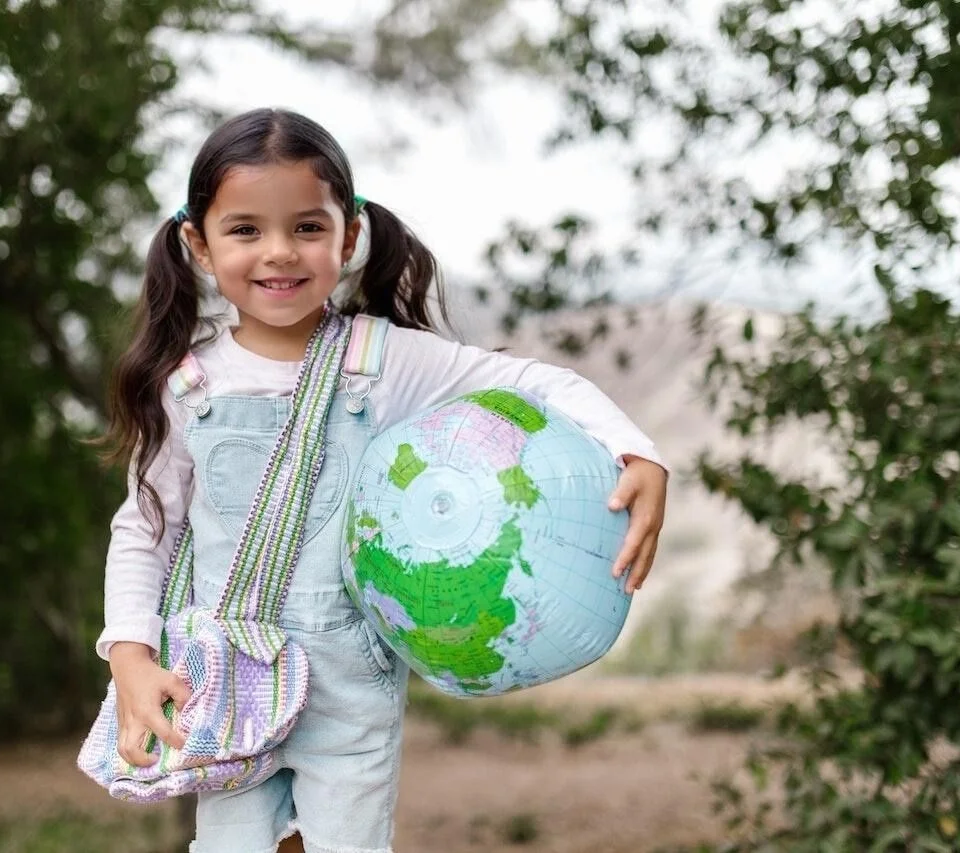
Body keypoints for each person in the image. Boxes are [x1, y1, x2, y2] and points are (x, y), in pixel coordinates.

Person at [96, 107, 668, 853]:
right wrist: (131, 657)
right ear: (198, 244)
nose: (279, 253)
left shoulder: (382, 358)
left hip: (348, 689)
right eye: (245, 230)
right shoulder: (188, 381)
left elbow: (531, 381)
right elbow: (144, 525)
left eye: (307, 227)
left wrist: (637, 450)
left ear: (351, 234)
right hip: (223, 680)